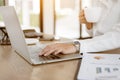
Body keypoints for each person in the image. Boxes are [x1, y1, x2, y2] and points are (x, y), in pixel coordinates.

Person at [39, 0, 120, 56]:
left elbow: (117, 36)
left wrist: (76, 46)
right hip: (100, 52)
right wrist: (89, 24)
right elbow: (97, 34)